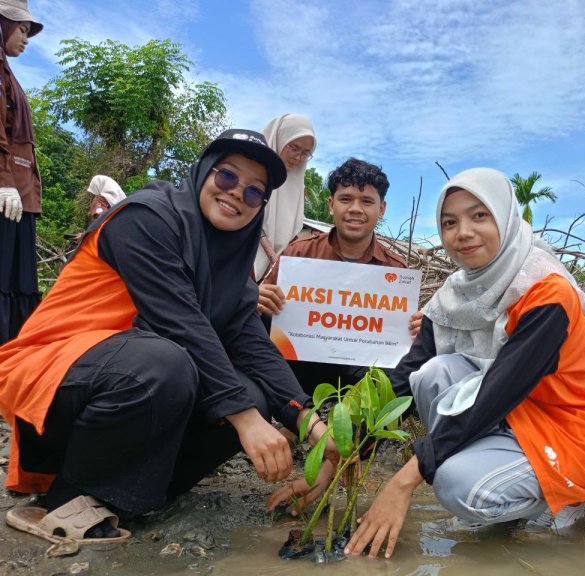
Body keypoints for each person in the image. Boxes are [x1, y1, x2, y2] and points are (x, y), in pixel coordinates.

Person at [272, 167, 585, 558]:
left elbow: (496, 394)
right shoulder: (456, 293)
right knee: (431, 373)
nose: (463, 232)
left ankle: (572, 497)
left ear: (506, 216)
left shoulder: (546, 292)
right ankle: (507, 494)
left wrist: (404, 481)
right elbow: (402, 377)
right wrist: (334, 455)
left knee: (454, 485)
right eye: (450, 222)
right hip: (520, 416)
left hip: (576, 429)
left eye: (479, 216)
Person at [0, 129, 333, 545]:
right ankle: (63, 500)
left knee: (253, 391)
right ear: (204, 172)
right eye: (227, 177)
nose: (235, 194)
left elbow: (251, 343)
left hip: (128, 371)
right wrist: (246, 420)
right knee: (169, 364)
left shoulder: (230, 261)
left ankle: (132, 498)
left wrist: (312, 424)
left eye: (253, 192)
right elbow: (180, 323)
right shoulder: (148, 218)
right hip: (51, 371)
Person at [258, 157, 407, 395]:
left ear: (381, 209)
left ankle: (358, 426)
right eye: (345, 199)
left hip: (360, 377)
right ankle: (294, 414)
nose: (355, 209)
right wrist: (258, 300)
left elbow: (398, 339)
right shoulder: (298, 253)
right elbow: (257, 309)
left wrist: (415, 328)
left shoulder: (396, 270)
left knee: (408, 364)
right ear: (330, 204)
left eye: (367, 201)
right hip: (298, 369)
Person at [0, 0, 43, 345]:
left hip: (21, 199)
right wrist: (2, 182)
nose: (26, 39)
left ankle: (14, 358)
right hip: (7, 197)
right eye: (22, 29)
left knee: (18, 282)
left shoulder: (7, 72)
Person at [253, 113, 316, 282]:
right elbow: (252, 218)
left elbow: (293, 230)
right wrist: (272, 256)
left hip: (274, 272)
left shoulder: (298, 187)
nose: (298, 157)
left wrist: (281, 263)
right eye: (294, 148)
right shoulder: (252, 170)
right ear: (279, 139)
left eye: (305, 153)